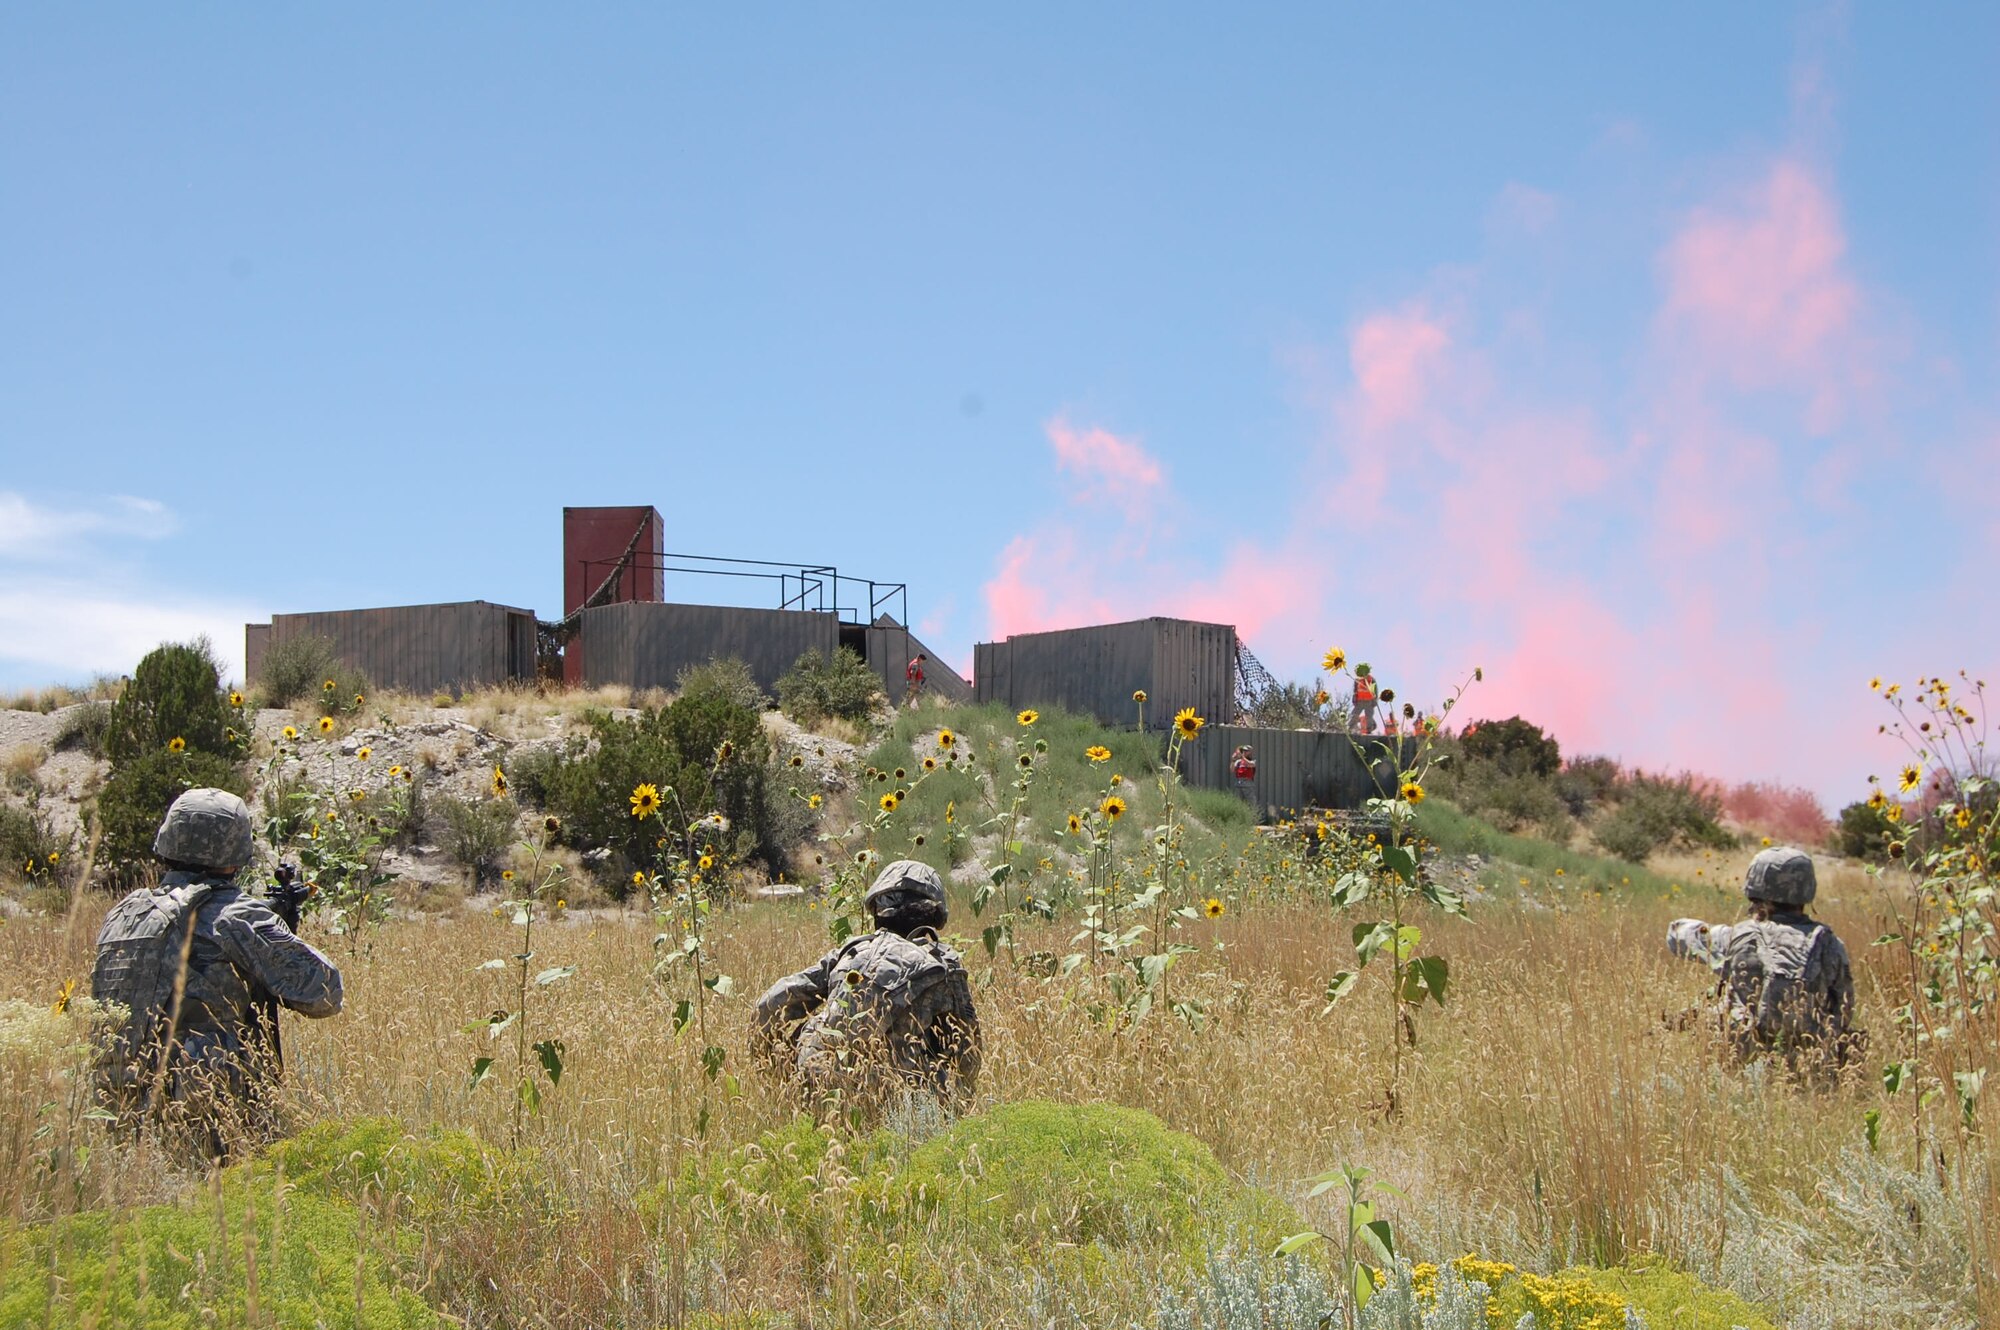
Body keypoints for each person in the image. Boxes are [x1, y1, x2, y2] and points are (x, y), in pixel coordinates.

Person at [91, 788, 344, 1155]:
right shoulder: (236, 914)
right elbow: (325, 993)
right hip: (207, 1115)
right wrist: (277, 932)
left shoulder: (124, 915)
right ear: (235, 849)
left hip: (121, 1105)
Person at [753, 859, 980, 1115]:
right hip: (899, 1109)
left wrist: (775, 1072)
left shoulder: (849, 953)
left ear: (876, 911)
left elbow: (768, 1005)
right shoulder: (942, 965)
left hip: (819, 1094)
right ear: (934, 915)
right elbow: (967, 1055)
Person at [1668, 846, 1856, 1073]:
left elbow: (1676, 934)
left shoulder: (1736, 936)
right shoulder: (1830, 944)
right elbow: (1844, 1009)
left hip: (1743, 1064)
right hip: (1812, 1067)